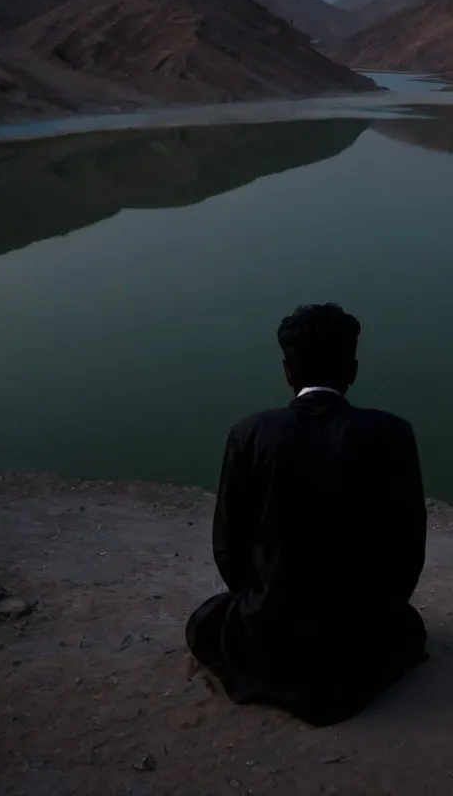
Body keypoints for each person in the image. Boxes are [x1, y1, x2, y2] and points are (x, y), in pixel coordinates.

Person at [185, 303, 427, 726]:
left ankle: (273, 652)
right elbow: (408, 548)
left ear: (287, 372)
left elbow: (228, 546)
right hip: (358, 632)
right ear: (352, 369)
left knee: (207, 623)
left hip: (273, 626)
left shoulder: (250, 433)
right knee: (406, 629)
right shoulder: (391, 434)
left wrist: (263, 601)